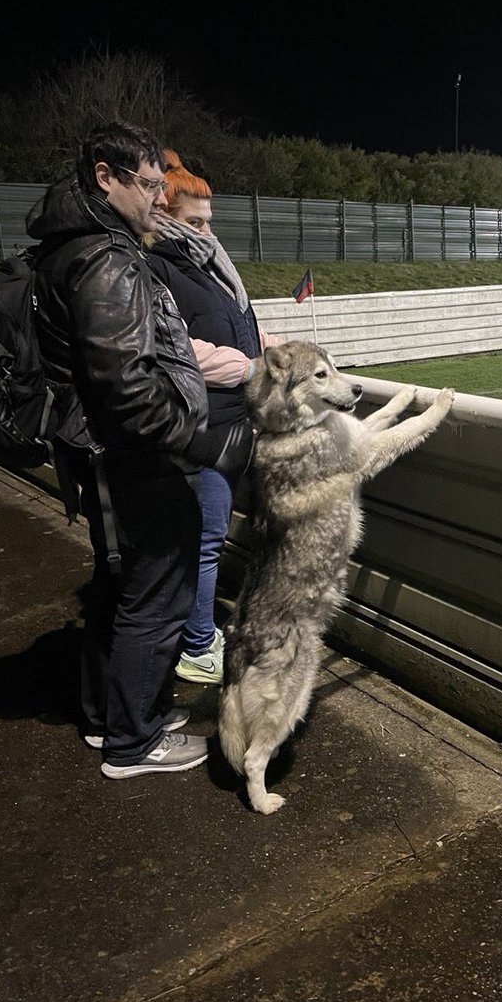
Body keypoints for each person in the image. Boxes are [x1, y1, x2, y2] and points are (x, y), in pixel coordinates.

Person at [26, 122, 253, 778]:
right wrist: (207, 442)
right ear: (106, 176)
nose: (159, 198)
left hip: (96, 449)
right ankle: (134, 741)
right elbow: (126, 388)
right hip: (128, 454)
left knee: (121, 588)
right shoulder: (105, 257)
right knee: (156, 594)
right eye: (149, 184)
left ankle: (112, 718)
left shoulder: (75, 244)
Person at [144, 151, 276, 685]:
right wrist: (249, 368)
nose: (206, 232)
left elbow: (240, 328)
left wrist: (277, 353)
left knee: (206, 535)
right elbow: (177, 349)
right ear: (165, 215)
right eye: (194, 222)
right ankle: (197, 644)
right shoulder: (157, 267)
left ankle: (195, 630)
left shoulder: (207, 267)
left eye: (208, 222)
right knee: (204, 538)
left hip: (227, 423)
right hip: (199, 427)